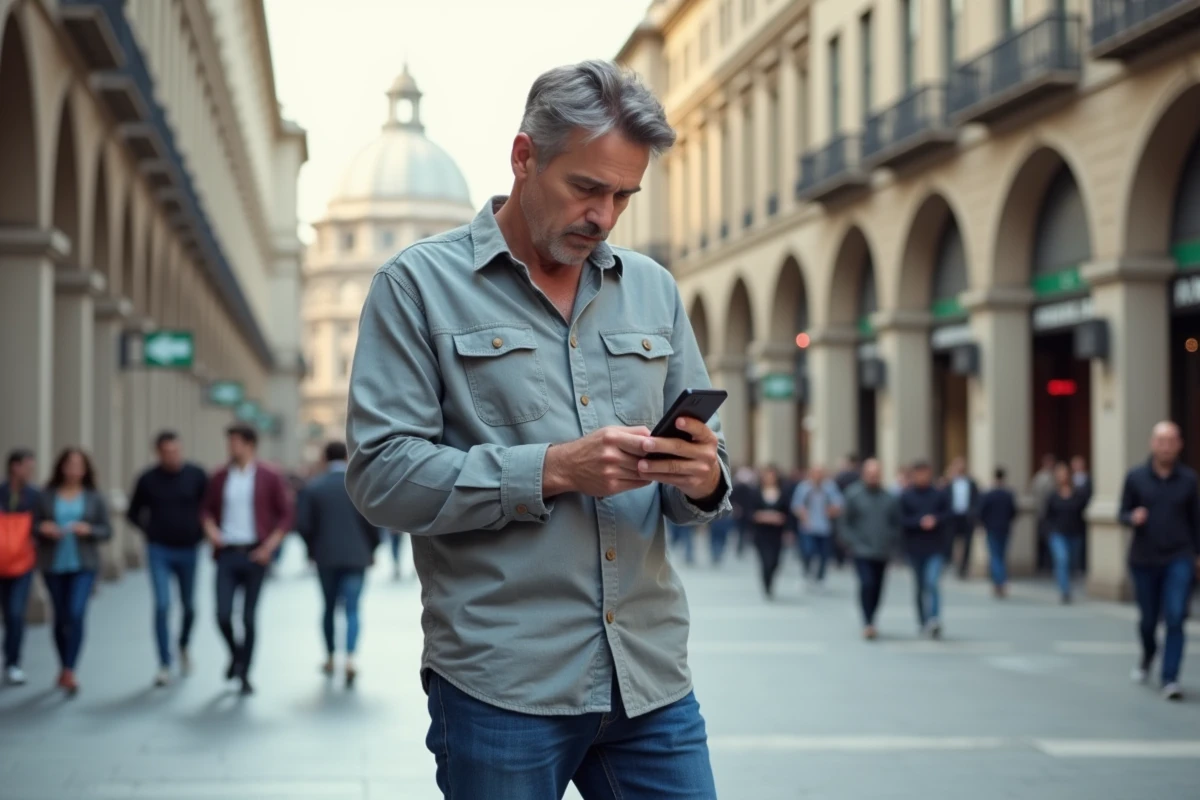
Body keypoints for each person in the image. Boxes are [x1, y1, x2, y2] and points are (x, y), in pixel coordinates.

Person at [345, 60, 729, 799]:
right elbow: (381, 476)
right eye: (586, 188)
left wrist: (705, 475)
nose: (605, 216)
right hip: (502, 687)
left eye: (624, 195)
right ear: (524, 158)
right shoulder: (416, 287)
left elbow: (707, 469)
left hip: (649, 679)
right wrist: (551, 468)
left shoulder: (653, 288)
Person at [202, 425, 293, 696]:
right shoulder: (220, 476)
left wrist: (270, 547)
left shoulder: (269, 475)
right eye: (229, 442)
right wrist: (211, 532)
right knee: (222, 614)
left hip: (256, 554)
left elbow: (286, 514)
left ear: (250, 445)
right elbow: (205, 510)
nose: (230, 447)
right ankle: (236, 655)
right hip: (227, 554)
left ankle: (245, 673)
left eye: (235, 442)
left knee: (249, 618)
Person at [1119, 421, 1199, 702]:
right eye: (1161, 440)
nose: (1166, 446)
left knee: (1176, 616)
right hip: (1144, 559)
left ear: (1179, 445)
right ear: (1153, 444)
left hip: (1179, 556)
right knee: (1149, 620)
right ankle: (1149, 653)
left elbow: (1196, 521)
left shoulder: (1189, 480)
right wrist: (1132, 517)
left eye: (1171, 440)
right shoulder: (1136, 477)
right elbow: (1122, 512)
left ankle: (1170, 677)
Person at [127, 431, 209, 687]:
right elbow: (133, 512)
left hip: (189, 549)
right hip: (159, 549)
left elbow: (208, 508)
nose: (171, 456)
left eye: (175, 451)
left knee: (189, 606)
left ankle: (183, 645)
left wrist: (200, 533)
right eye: (166, 452)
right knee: (162, 605)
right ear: (158, 453)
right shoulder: (148, 479)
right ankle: (164, 662)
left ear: (181, 450)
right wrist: (150, 531)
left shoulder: (196, 475)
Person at [296, 441, 380, 687]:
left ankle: (331, 657)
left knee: (329, 607)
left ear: (324, 457)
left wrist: (312, 549)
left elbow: (303, 524)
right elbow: (374, 521)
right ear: (346, 456)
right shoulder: (359, 486)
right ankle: (351, 659)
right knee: (353, 609)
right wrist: (372, 549)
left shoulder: (314, 488)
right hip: (357, 557)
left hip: (326, 557)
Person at [33, 448, 111, 695]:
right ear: (61, 467)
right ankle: (63, 663)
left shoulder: (94, 497)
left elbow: (106, 531)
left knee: (76, 613)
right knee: (61, 616)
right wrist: (44, 528)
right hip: (54, 564)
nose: (74, 470)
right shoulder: (46, 496)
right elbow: (32, 525)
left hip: (84, 564)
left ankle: (70, 669)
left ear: (85, 469)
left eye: (79, 465)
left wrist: (89, 530)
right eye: (70, 464)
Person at [839, 458, 901, 640]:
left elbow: (895, 523)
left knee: (878, 587)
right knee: (867, 583)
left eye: (876, 474)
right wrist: (851, 542)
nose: (873, 478)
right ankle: (867, 621)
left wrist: (892, 542)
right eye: (870, 474)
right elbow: (844, 522)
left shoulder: (889, 498)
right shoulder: (853, 495)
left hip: (882, 550)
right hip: (861, 550)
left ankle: (872, 618)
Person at [899, 461, 950, 638]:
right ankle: (923, 620)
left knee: (932, 582)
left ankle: (934, 618)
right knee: (920, 586)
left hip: (935, 547)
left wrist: (935, 520)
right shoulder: (907, 496)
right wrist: (919, 522)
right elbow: (901, 520)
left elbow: (947, 516)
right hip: (915, 548)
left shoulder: (939, 495)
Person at [0, 449, 38, 685]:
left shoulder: (34, 496)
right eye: (27, 466)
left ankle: (12, 662)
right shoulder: (1, 492)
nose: (30, 471)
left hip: (22, 563)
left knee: (15, 614)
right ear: (15, 466)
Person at [1042, 461, 1092, 604]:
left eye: (1064, 474)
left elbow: (1082, 512)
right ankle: (1065, 590)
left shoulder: (1078, 494)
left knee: (1072, 563)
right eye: (1059, 474)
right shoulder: (1052, 496)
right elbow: (1047, 515)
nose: (1061, 477)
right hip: (1057, 533)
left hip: (1075, 533)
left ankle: (1066, 584)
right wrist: (1048, 532)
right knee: (1062, 559)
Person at [790, 464, 843, 587]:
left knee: (824, 554)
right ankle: (806, 573)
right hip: (808, 526)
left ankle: (820, 577)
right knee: (808, 551)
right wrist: (804, 516)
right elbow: (796, 505)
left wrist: (832, 511)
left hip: (825, 527)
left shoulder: (830, 487)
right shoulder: (804, 487)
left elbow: (839, 503)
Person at [750, 466, 791, 599]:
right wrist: (761, 516)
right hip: (761, 533)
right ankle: (766, 585)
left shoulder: (783, 492)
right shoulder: (756, 492)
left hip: (777, 533)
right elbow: (749, 511)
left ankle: (771, 580)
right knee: (765, 561)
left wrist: (786, 526)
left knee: (775, 561)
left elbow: (789, 513)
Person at [978, 467, 1018, 598]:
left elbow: (981, 512)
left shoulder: (988, 494)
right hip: (1004, 528)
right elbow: (1013, 512)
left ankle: (999, 581)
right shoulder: (1008, 494)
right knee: (1001, 556)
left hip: (992, 528)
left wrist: (984, 523)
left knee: (995, 557)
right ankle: (1000, 581)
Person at [945, 457, 980, 579]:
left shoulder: (971, 483)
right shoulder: (949, 483)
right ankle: (953, 563)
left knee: (967, 543)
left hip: (967, 517)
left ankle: (963, 567)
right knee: (952, 541)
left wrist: (975, 514)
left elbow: (977, 500)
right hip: (953, 517)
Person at [1031, 453, 1057, 571]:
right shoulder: (1040, 477)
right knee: (1043, 540)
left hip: (1054, 515)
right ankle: (1044, 564)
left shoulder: (1055, 476)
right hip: (1043, 513)